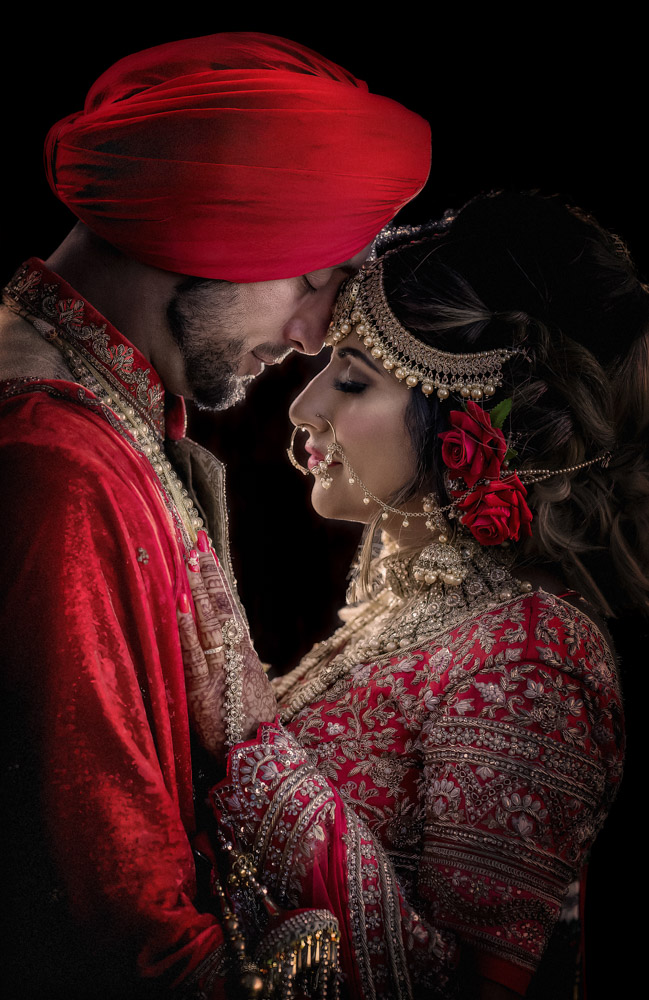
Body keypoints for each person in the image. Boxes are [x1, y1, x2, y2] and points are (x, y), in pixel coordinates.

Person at [0, 32, 432, 1000]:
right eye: (312, 280)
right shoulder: (55, 466)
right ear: (211, 229)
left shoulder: (112, 412)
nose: (311, 335)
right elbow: (124, 936)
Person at [178, 191, 646, 999]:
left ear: (471, 421)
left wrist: (249, 731)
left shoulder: (533, 658)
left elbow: (460, 989)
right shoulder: (420, 619)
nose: (304, 405)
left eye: (353, 383)